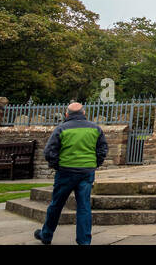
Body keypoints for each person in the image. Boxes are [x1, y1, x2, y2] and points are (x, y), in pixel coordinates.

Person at [32, 101, 107, 246]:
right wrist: (95, 163)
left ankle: (46, 235)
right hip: (86, 172)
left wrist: (57, 165)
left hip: (65, 172)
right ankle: (84, 241)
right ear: (84, 113)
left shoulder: (61, 129)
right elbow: (102, 149)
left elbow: (49, 151)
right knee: (84, 207)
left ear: (67, 114)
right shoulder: (95, 129)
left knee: (56, 204)